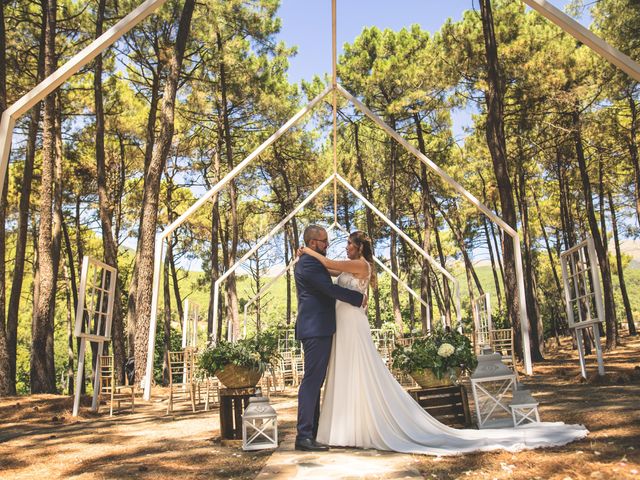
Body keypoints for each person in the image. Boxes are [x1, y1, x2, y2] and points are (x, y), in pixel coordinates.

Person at [298, 230, 588, 456]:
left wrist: (308, 251)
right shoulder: (348, 265)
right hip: (343, 325)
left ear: (359, 248)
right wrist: (313, 257)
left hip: (352, 326)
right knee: (345, 373)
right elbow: (332, 272)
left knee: (359, 369)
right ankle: (342, 428)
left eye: (349, 243)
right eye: (342, 244)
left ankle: (355, 427)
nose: (344, 247)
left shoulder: (360, 265)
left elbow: (328, 265)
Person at [293, 225, 367, 452]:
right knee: (312, 381)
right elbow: (328, 289)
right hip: (315, 329)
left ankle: (312, 431)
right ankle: (304, 435)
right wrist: (358, 298)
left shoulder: (312, 261)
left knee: (316, 380)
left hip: (321, 328)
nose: (328, 245)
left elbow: (334, 270)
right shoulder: (308, 264)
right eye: (324, 242)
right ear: (314, 242)